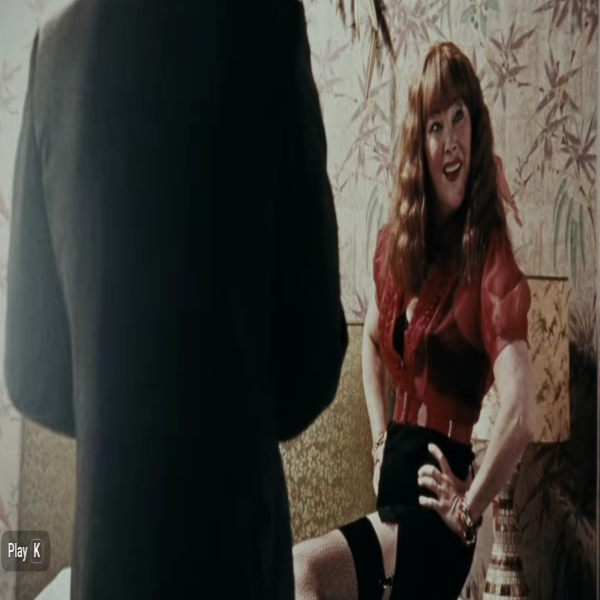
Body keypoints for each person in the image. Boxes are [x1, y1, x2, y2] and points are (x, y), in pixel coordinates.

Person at [4, 0, 347, 598]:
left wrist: (119, 421)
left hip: (111, 565)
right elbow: (314, 363)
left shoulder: (54, 48)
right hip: (235, 562)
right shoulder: (267, 25)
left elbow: (30, 370)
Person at [292, 41, 537, 600]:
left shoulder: (489, 260)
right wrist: (380, 441)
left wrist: (468, 509)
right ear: (419, 145)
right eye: (434, 125)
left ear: (476, 131)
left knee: (302, 571)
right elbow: (372, 343)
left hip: (433, 519)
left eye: (459, 117)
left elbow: (522, 413)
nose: (449, 139)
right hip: (394, 500)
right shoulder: (397, 250)